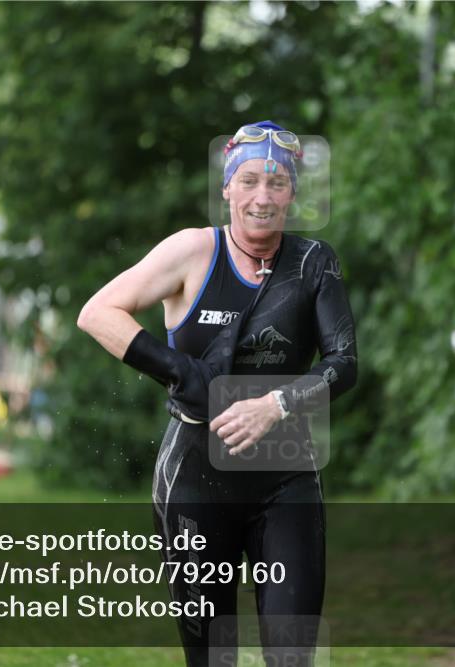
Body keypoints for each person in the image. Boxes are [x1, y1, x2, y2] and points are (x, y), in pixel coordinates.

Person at [78, 120, 357, 666]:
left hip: (286, 473)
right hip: (196, 478)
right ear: (227, 187)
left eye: (277, 184)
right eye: (249, 180)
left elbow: (344, 364)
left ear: (293, 194)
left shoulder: (313, 263)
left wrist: (274, 404)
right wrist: (185, 375)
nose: (262, 196)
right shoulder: (191, 252)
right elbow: (97, 313)